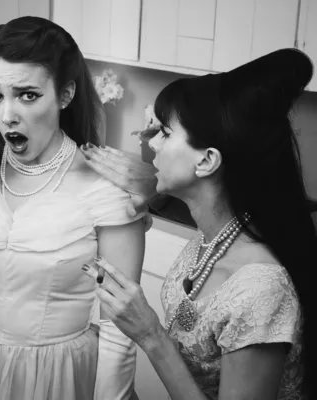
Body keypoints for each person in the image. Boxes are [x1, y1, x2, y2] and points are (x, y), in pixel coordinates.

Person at [0, 16, 146, 400]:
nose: (7, 114)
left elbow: (117, 334)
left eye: (27, 95)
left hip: (61, 379)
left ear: (65, 94)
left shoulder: (108, 190)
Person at [81, 48, 317, 399]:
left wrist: (150, 333)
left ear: (207, 161)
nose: (149, 141)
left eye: (164, 132)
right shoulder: (211, 237)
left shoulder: (260, 291)